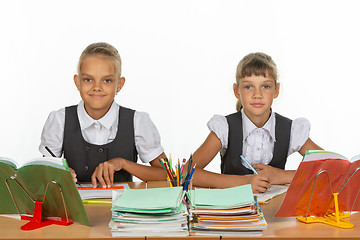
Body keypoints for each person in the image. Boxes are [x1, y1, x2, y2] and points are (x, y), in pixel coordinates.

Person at [190, 52, 322, 193]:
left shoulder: (290, 130)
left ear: (276, 90)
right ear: (237, 91)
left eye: (265, 86)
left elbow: (333, 167)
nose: (257, 94)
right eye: (248, 87)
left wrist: (283, 176)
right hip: (233, 212)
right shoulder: (225, 128)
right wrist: (244, 182)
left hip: (274, 212)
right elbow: (188, 173)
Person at [39, 42, 166, 188]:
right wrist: (60, 172)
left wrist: (123, 163)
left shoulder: (138, 122)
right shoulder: (60, 120)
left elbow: (165, 175)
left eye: (107, 80)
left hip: (124, 209)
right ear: (77, 82)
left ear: (119, 84)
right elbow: (44, 173)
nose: (97, 87)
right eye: (88, 79)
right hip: (75, 209)